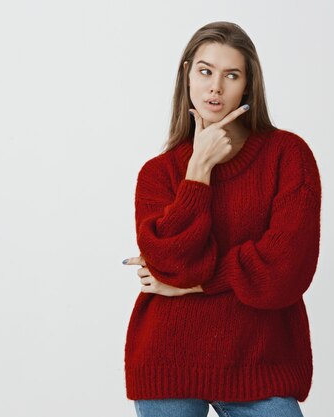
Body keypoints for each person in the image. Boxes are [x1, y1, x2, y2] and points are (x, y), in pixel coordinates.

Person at [121, 21, 322, 417]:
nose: (215, 87)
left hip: (261, 362)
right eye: (205, 71)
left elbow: (285, 270)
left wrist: (194, 283)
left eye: (231, 75)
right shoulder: (157, 174)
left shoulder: (288, 156)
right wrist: (199, 167)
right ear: (187, 75)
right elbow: (173, 263)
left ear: (247, 85)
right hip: (169, 359)